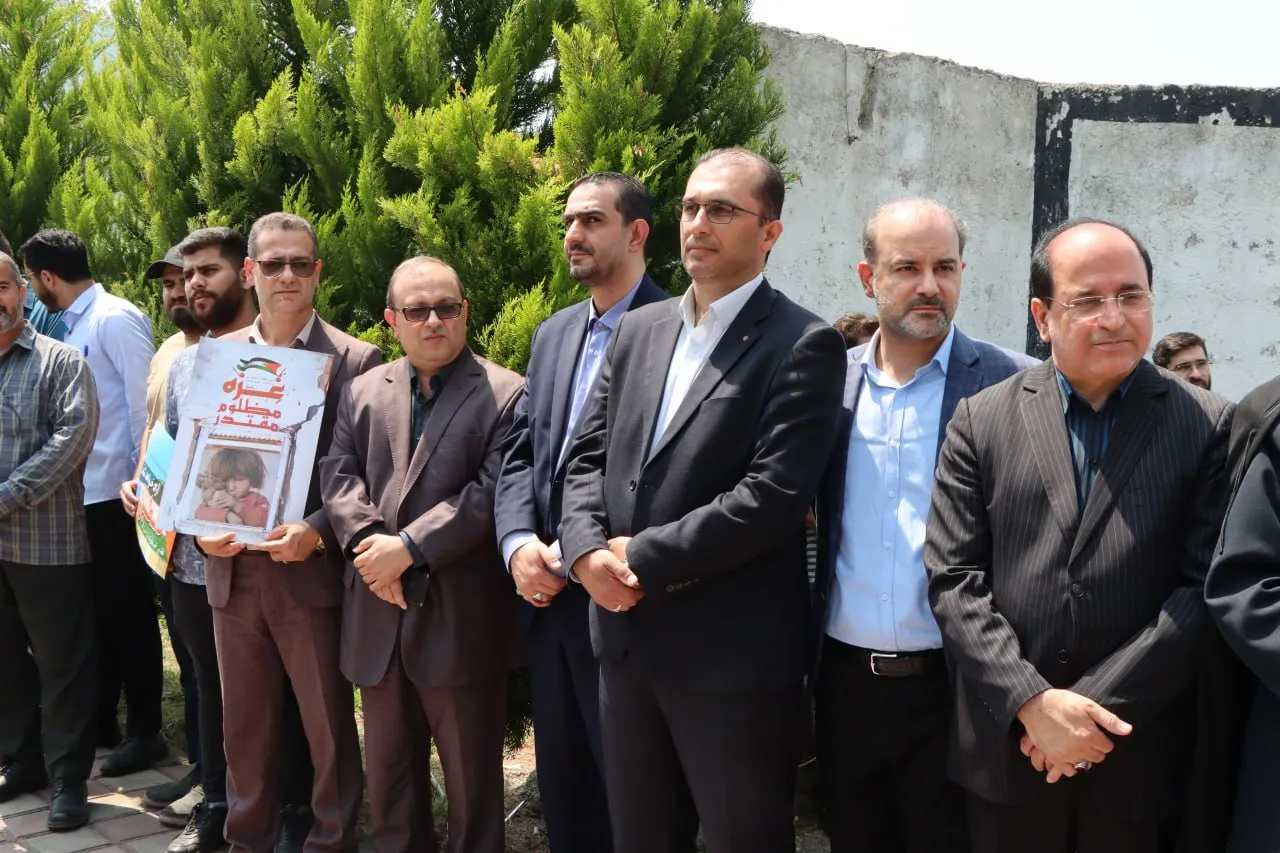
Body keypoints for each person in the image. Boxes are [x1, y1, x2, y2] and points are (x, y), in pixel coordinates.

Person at [559, 148, 847, 852]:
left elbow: (773, 496)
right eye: (691, 207)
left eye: (721, 210)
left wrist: (642, 557)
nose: (698, 223)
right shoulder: (639, 328)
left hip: (730, 660)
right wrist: (585, 553)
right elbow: (586, 457)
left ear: (770, 232)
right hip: (625, 645)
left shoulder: (804, 343)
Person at [924, 218, 1233, 853]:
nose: (1113, 318)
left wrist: (1085, 712)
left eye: (1130, 295)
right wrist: (1032, 703)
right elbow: (954, 580)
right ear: (1042, 317)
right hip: (1010, 753)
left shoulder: (1208, 425)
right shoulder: (981, 420)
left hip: (1137, 756)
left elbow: (1203, 587)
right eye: (1087, 301)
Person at [811, 198, 1037, 853]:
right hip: (844, 688)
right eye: (907, 267)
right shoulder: (826, 387)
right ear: (868, 277)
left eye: (945, 267)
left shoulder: (1013, 384)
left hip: (961, 689)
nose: (930, 285)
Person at [121, 226, 318, 853]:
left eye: (209, 271)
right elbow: (175, 447)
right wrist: (146, 486)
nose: (194, 285)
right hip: (192, 560)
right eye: (188, 275)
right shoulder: (187, 364)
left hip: (276, 562)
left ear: (246, 275)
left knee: (282, 696)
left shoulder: (305, 362)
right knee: (211, 687)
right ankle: (216, 804)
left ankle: (293, 810)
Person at [321, 257, 523, 853]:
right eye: (417, 310)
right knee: (391, 785)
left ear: (465, 312)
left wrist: (408, 549)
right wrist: (370, 550)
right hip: (377, 617)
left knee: (472, 789)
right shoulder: (362, 391)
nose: (433, 320)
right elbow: (338, 476)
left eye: (446, 308)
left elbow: (491, 492)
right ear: (393, 320)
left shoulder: (507, 394)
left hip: (459, 620)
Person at [494, 171, 669, 853]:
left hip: (623, 597)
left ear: (637, 232)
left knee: (635, 797)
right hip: (547, 600)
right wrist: (517, 543)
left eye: (592, 220)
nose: (573, 233)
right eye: (568, 220)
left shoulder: (676, 332)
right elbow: (522, 452)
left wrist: (579, 550)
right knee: (565, 790)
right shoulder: (554, 333)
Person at [197, 213, 378, 853]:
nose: (287, 276)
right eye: (273, 264)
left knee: (328, 727)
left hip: (308, 572)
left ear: (317, 272)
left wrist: (320, 531)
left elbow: (368, 475)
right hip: (231, 570)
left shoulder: (356, 359)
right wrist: (197, 527)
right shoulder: (216, 358)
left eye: (300, 263)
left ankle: (332, 841)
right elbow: (196, 456)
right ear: (250, 272)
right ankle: (246, 840)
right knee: (243, 728)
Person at [20, 229, 167, 776]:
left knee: (130, 616)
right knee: (97, 616)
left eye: (30, 280)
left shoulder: (114, 319)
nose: (32, 292)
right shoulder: (71, 325)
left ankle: (146, 731)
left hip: (117, 495)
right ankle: (103, 720)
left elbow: (145, 408)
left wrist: (140, 483)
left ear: (47, 277)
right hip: (80, 497)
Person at [0, 252, 100, 830]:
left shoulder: (60, 361)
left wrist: (5, 496)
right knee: (4, 658)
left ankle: (68, 780)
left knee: (62, 665)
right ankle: (22, 761)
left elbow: (73, 439)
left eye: (1, 286)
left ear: (22, 291)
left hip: (45, 543)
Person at [136, 244, 205, 816]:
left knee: (212, 672)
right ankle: (201, 771)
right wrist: (138, 482)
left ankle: (216, 781)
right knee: (188, 663)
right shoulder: (168, 352)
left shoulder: (228, 354)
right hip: (163, 537)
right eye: (168, 284)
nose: (178, 292)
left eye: (187, 280)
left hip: (206, 542)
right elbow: (153, 429)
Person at [194, 448, 270, 528]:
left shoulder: (258, 500)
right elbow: (199, 514)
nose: (231, 487)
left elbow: (260, 523)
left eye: (239, 480)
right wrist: (227, 515)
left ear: (252, 479)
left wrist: (236, 506)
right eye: (225, 480)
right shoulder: (216, 495)